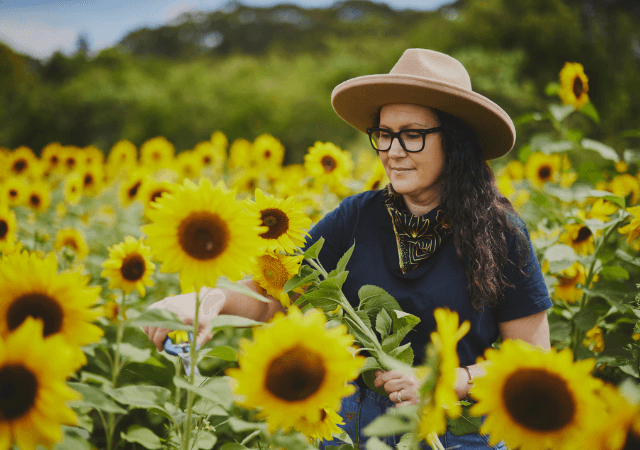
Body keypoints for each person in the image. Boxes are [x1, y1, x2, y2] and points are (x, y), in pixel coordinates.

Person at [143, 48, 551, 450]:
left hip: (456, 429)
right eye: (385, 134)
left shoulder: (499, 231)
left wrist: (447, 381)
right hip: (356, 427)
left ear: (456, 141)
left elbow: (532, 360)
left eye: (412, 135)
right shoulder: (356, 216)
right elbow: (277, 297)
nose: (392, 151)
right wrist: (206, 299)